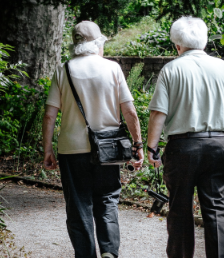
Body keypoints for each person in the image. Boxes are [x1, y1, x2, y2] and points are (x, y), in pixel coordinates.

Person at [146, 17, 224, 258]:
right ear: (205, 42)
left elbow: (158, 113)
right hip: (220, 145)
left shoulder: (171, 69)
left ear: (177, 45)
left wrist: (152, 148)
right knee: (220, 213)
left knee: (180, 210)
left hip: (182, 148)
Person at [42, 21, 144, 258]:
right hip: (108, 149)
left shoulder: (63, 70)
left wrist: (47, 149)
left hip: (71, 150)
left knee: (78, 206)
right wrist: (137, 144)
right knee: (107, 199)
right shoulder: (113, 68)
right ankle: (109, 251)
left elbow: (49, 115)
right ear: (97, 43)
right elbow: (130, 112)